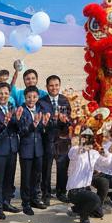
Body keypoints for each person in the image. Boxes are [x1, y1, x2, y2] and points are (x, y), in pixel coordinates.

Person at [66, 128, 112, 223]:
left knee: (99, 213)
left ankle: (76, 209)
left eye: (89, 138)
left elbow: (107, 163)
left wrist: (104, 151)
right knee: (95, 199)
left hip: (86, 189)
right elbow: (72, 155)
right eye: (84, 137)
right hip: (74, 191)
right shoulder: (75, 150)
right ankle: (84, 217)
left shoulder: (93, 153)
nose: (86, 139)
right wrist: (82, 146)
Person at [0, 83, 21, 217]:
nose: (3, 96)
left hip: (12, 147)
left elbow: (17, 129)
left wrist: (17, 120)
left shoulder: (12, 107)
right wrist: (5, 123)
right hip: (0, 148)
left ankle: (7, 202)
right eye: (0, 93)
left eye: (6, 93)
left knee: (9, 178)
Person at [12, 86, 46, 215]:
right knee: (26, 177)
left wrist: (44, 124)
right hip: (26, 148)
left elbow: (42, 129)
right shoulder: (21, 110)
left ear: (38, 97)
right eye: (29, 97)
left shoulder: (40, 109)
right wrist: (33, 125)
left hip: (38, 149)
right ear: (24, 98)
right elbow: (21, 131)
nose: (31, 99)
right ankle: (25, 203)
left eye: (34, 97)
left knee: (37, 176)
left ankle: (35, 199)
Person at [40, 75, 72, 203]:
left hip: (62, 140)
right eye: (51, 86)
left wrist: (66, 121)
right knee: (46, 168)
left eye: (56, 85)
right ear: (47, 87)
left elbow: (71, 119)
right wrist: (46, 121)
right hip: (47, 139)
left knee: (62, 167)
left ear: (60, 86)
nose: (54, 88)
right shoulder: (41, 102)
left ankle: (61, 192)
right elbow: (39, 121)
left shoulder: (65, 100)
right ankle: (46, 194)